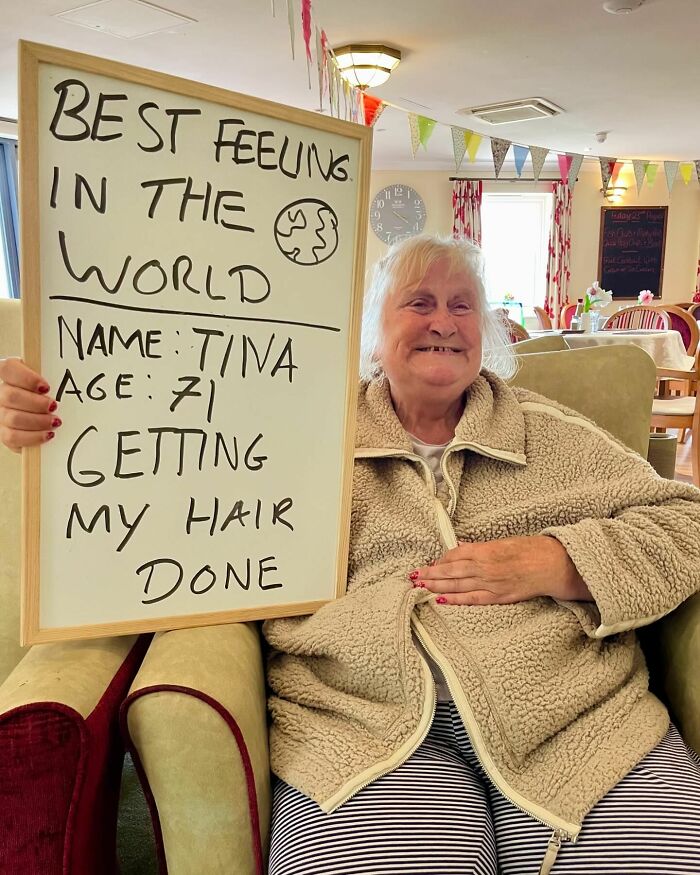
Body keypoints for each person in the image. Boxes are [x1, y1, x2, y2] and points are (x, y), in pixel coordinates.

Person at [2, 234, 700, 874]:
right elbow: (171, 482)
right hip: (366, 732)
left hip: (582, 727)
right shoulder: (303, 434)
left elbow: (687, 520)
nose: (443, 320)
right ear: (372, 333)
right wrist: (62, 420)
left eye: (463, 305)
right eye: (418, 302)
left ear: (485, 333)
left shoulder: (554, 436)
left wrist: (561, 560)